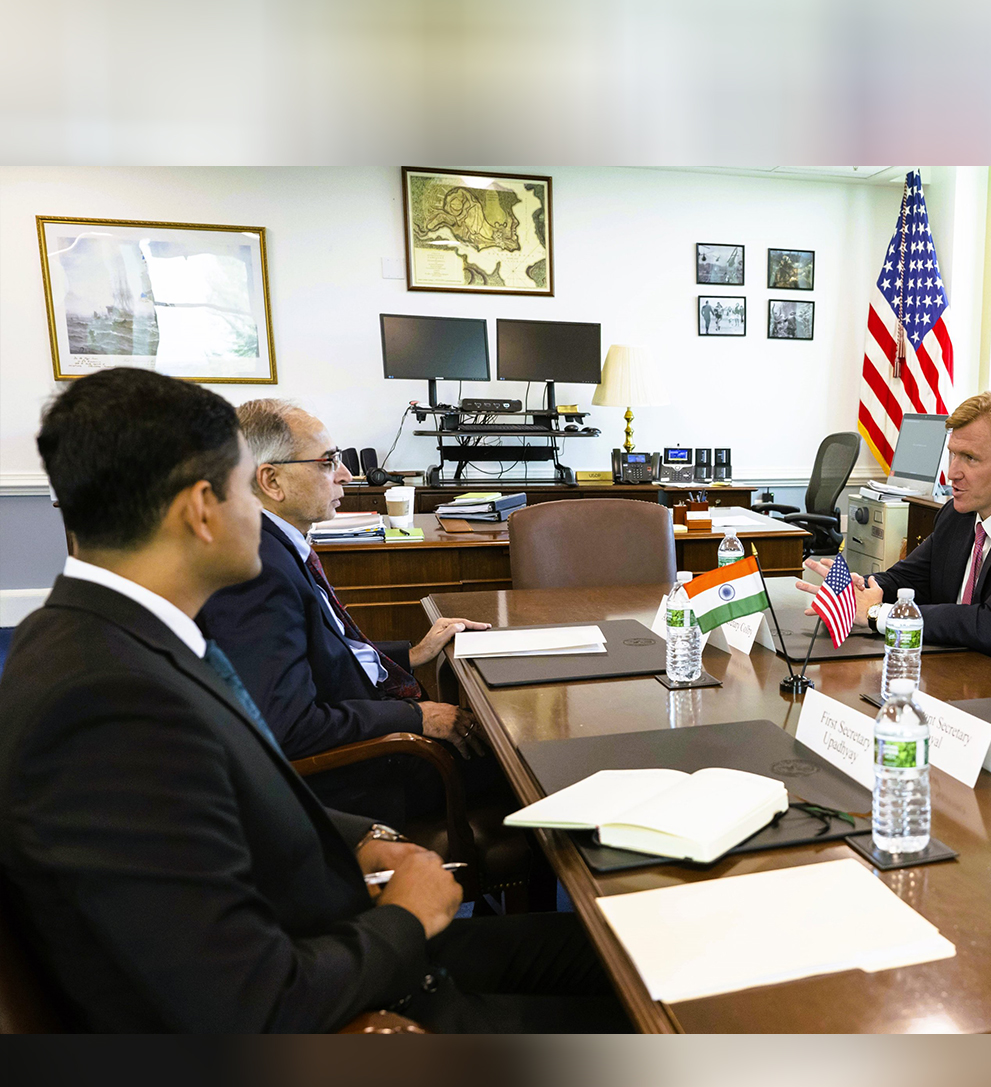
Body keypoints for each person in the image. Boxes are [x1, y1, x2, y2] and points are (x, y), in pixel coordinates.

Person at [0, 368, 625, 1031]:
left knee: (626, 953)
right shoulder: (104, 706)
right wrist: (406, 919)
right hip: (359, 1000)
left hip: (346, 935)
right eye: (249, 487)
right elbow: (248, 1001)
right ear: (201, 509)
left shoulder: (120, 639)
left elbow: (241, 797)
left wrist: (361, 838)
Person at [198, 399, 490, 825]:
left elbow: (319, 656)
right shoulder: (255, 571)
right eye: (327, 461)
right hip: (359, 780)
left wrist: (411, 653)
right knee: (528, 763)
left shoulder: (272, 545)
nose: (345, 474)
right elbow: (289, 725)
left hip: (376, 740)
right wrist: (415, 716)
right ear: (272, 480)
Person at [796, 391, 991, 680]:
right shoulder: (957, 515)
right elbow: (904, 581)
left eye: (970, 458)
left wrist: (879, 613)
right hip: (968, 674)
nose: (952, 472)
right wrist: (856, 591)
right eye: (952, 454)